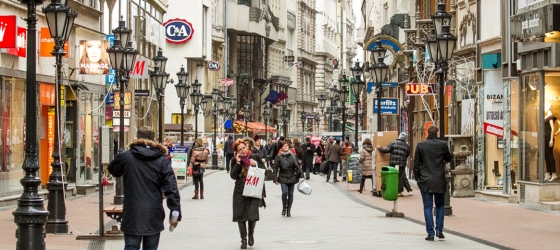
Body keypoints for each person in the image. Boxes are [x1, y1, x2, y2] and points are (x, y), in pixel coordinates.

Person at [108, 126, 181, 249]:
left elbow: (113, 170)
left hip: (132, 213)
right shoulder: (162, 160)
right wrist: (175, 214)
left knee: (131, 246)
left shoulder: (126, 156)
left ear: (137, 138)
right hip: (153, 214)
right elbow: (172, 189)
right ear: (154, 139)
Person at [413, 125, 452, 241]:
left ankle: (430, 233)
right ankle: (439, 230)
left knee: (427, 207)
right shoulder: (442, 145)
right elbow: (449, 158)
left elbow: (416, 164)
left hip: (425, 179)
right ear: (437, 133)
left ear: (427, 133)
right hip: (439, 178)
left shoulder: (421, 145)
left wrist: (417, 178)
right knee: (440, 204)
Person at [230, 139, 266, 249]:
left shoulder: (255, 156)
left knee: (252, 215)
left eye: (244, 148)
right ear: (236, 151)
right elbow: (233, 176)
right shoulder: (234, 160)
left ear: (247, 147)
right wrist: (237, 163)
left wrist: (256, 164)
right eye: (240, 149)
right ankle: (244, 239)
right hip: (240, 190)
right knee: (240, 216)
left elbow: (265, 172)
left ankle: (251, 234)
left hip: (254, 189)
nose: (243, 151)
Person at [272, 141, 304, 217]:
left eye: (287, 145)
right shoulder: (279, 157)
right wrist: (275, 179)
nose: (286, 147)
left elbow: (298, 166)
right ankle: (284, 208)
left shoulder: (293, 156)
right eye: (284, 146)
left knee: (290, 194)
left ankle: (289, 209)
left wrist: (301, 175)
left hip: (292, 177)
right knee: (284, 193)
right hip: (283, 177)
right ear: (281, 148)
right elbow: (275, 168)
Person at [377, 132, 413, 196]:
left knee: (393, 176)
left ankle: (393, 189)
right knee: (401, 178)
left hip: (393, 164)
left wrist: (380, 148)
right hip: (402, 164)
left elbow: (386, 150)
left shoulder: (393, 143)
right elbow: (408, 154)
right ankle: (399, 192)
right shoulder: (407, 146)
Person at [544, 105, 559, 181]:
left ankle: (553, 173)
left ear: (549, 107)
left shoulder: (551, 117)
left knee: (550, 155)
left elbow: (552, 128)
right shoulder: (546, 116)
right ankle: (548, 172)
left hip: (548, 138)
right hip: (545, 138)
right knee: (546, 156)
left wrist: (551, 139)